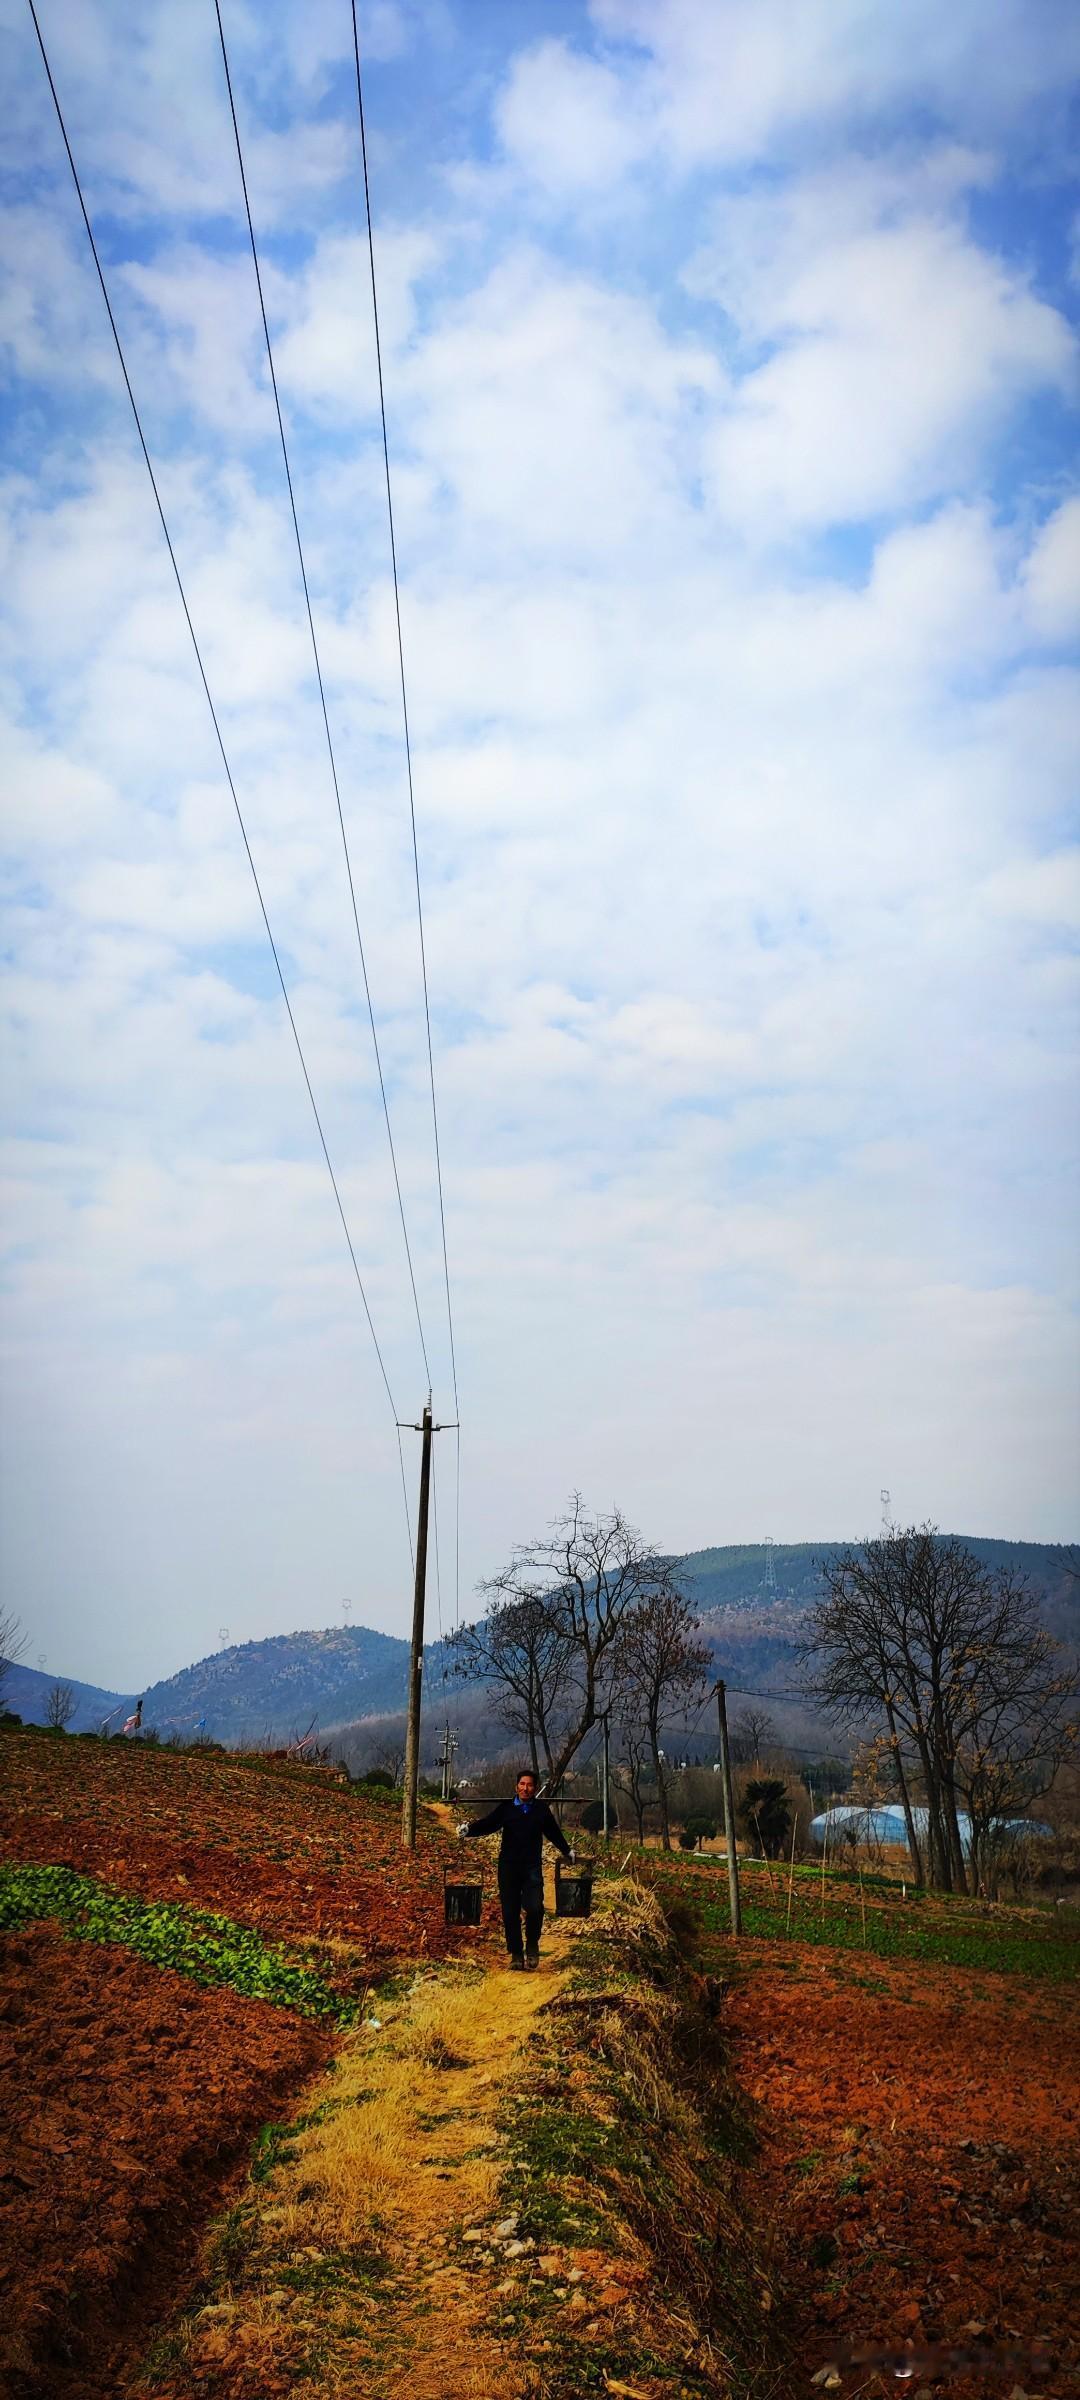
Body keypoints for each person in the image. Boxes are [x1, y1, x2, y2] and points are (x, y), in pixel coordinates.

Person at [457, 1770, 573, 1970]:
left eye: (529, 1785)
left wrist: (567, 1850)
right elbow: (489, 1824)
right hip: (508, 1866)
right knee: (510, 1912)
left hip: (532, 1867)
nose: (525, 1788)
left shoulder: (540, 1810)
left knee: (535, 1907)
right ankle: (517, 1954)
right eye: (522, 1784)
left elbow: (553, 1832)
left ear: (534, 1788)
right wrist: (469, 1831)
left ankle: (533, 1944)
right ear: (516, 1787)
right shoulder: (507, 1808)